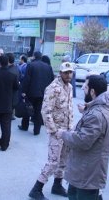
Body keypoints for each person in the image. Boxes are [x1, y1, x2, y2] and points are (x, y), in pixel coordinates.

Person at [57, 75, 109, 200]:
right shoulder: (98, 109)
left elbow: (83, 141)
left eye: (85, 87)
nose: (83, 89)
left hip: (87, 173)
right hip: (84, 170)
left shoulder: (96, 114)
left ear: (92, 91)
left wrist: (64, 134)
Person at [28, 62, 74, 200]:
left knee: (64, 160)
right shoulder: (53, 88)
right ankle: (37, 189)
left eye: (70, 72)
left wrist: (71, 128)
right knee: (53, 161)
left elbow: (69, 108)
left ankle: (57, 185)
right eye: (66, 72)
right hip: (57, 130)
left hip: (67, 130)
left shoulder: (70, 87)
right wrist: (53, 130)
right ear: (60, 73)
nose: (68, 75)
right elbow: (46, 111)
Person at [20, 51, 54, 135]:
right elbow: (52, 80)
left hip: (31, 92)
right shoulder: (48, 67)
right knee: (39, 111)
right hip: (43, 93)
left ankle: (24, 126)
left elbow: (27, 79)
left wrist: (23, 91)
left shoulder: (31, 65)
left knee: (28, 108)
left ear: (34, 57)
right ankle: (36, 130)